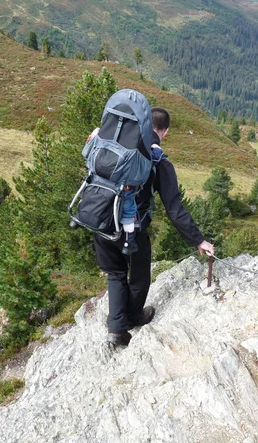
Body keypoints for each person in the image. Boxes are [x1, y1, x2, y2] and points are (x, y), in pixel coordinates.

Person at [93, 106, 215, 346]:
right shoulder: (158, 160)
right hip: (130, 229)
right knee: (139, 276)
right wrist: (198, 240)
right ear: (165, 131)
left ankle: (116, 329)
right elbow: (175, 209)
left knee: (116, 273)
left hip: (99, 218)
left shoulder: (110, 144)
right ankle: (133, 317)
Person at [120, 144, 166, 255]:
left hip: (101, 183)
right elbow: (154, 159)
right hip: (123, 188)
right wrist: (157, 150)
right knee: (129, 210)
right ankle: (129, 240)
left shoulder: (110, 135)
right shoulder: (137, 143)